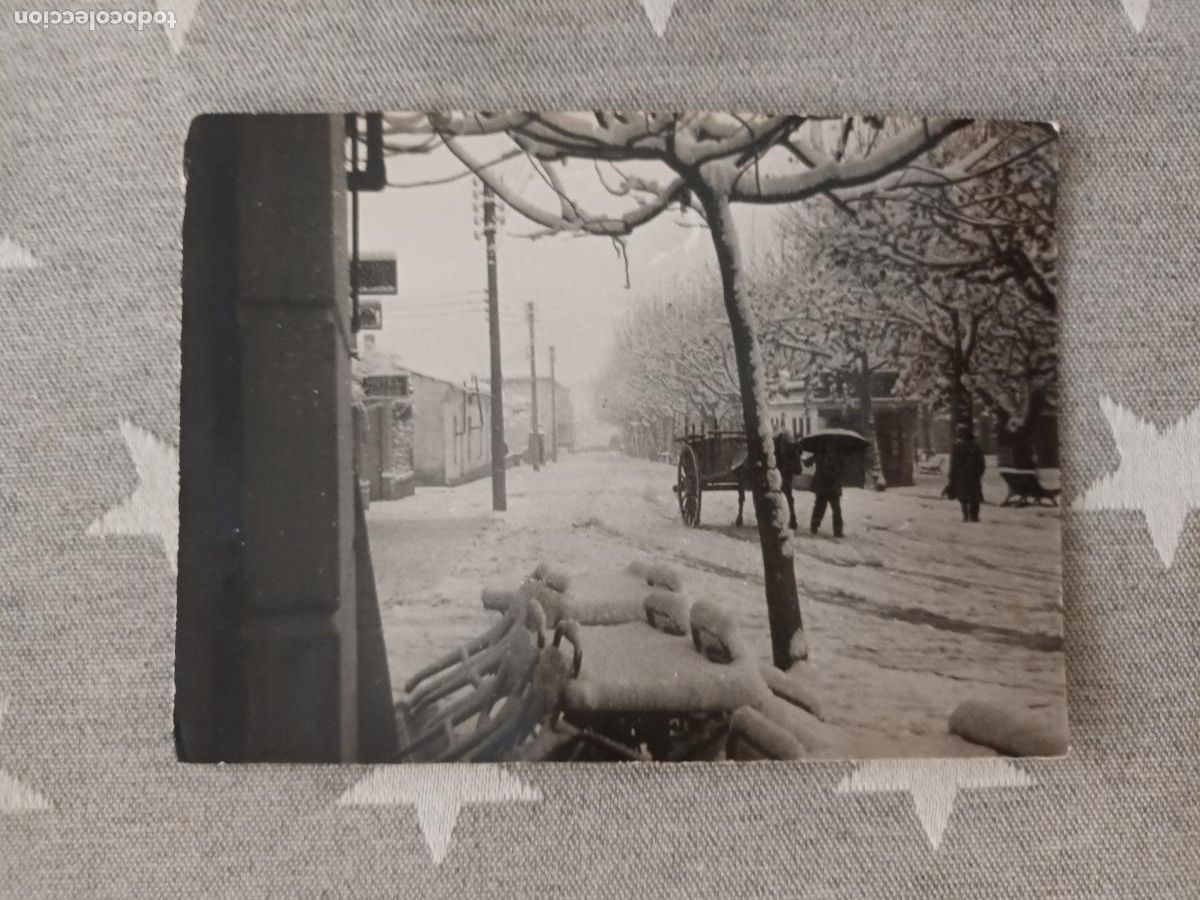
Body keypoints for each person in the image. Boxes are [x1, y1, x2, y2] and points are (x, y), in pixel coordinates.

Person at [947, 423, 986, 523]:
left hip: (961, 476)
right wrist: (979, 473)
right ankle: (974, 516)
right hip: (973, 475)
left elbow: (954, 464)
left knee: (963, 497)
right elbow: (981, 463)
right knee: (974, 496)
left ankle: (965, 516)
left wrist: (951, 476)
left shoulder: (957, 447)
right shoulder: (976, 446)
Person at [808, 445, 844, 537]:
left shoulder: (820, 453)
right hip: (831, 486)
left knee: (820, 507)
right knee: (834, 508)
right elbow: (840, 469)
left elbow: (808, 463)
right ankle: (837, 530)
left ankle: (814, 526)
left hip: (824, 485)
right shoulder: (837, 454)